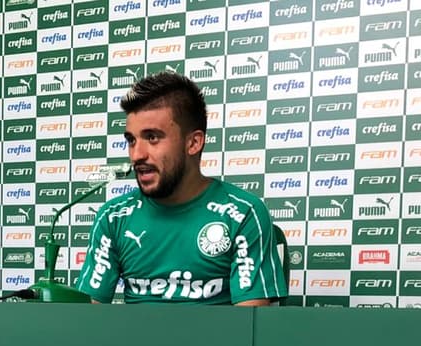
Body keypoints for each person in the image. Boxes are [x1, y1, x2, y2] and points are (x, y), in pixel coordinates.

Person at [74, 72, 287, 305]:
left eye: (152, 138)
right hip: (133, 342)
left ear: (193, 143)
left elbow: (251, 328)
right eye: (132, 140)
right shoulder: (113, 217)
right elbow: (88, 320)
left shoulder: (244, 213)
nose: (137, 155)